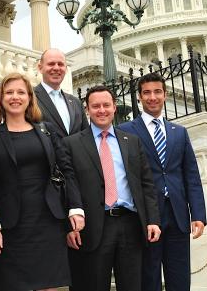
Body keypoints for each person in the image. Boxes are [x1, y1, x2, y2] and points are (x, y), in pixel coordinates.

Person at [0, 73, 85, 291]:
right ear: (1, 98)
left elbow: (66, 170)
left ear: (30, 97)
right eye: (9, 92)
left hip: (49, 220)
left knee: (48, 285)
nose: (15, 97)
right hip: (12, 225)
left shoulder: (46, 130)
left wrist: (75, 208)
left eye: (21, 92)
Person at [63, 85, 161, 291]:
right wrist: (69, 225)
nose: (102, 110)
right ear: (87, 109)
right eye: (95, 106)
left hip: (131, 226)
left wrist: (152, 220)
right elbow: (68, 184)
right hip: (92, 228)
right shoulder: (71, 144)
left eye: (106, 105)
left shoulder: (132, 142)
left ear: (114, 107)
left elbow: (146, 183)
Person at [117, 72, 207, 291]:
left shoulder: (179, 132)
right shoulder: (125, 131)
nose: (152, 97)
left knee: (180, 279)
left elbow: (191, 176)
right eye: (146, 93)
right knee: (149, 278)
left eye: (157, 92)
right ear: (138, 97)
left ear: (165, 95)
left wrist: (198, 215)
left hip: (178, 215)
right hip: (146, 217)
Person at [34, 48, 89, 137]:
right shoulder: (30, 98)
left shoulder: (76, 102)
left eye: (60, 64)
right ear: (40, 68)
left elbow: (86, 136)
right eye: (51, 64)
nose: (56, 68)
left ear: (66, 69)